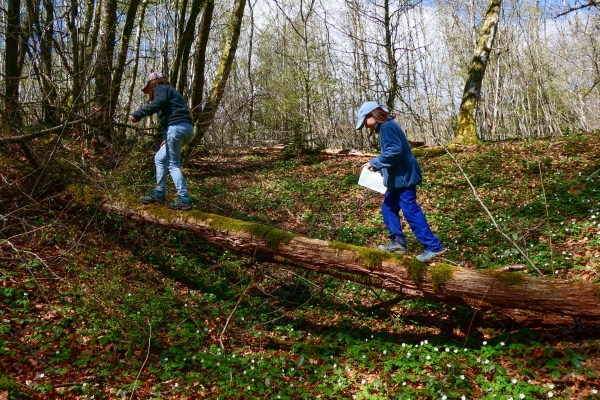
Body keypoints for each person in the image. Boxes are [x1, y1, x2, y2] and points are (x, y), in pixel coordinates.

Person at [356, 101, 445, 263]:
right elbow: (394, 154)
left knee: (410, 210)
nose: (365, 126)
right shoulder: (385, 127)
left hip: (404, 178)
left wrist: (374, 163)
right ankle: (398, 243)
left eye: (364, 121)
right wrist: (379, 168)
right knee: (388, 207)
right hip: (397, 179)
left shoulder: (388, 127)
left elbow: (394, 151)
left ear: (372, 115)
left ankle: (434, 247)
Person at [129, 72, 194, 211]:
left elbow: (159, 103)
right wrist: (167, 138)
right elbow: (174, 113)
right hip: (186, 129)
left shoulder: (160, 87)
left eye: (148, 89)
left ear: (152, 83)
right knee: (159, 158)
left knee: (173, 165)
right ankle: (159, 194)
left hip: (176, 128)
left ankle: (184, 199)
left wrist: (137, 114)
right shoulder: (173, 91)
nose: (149, 92)